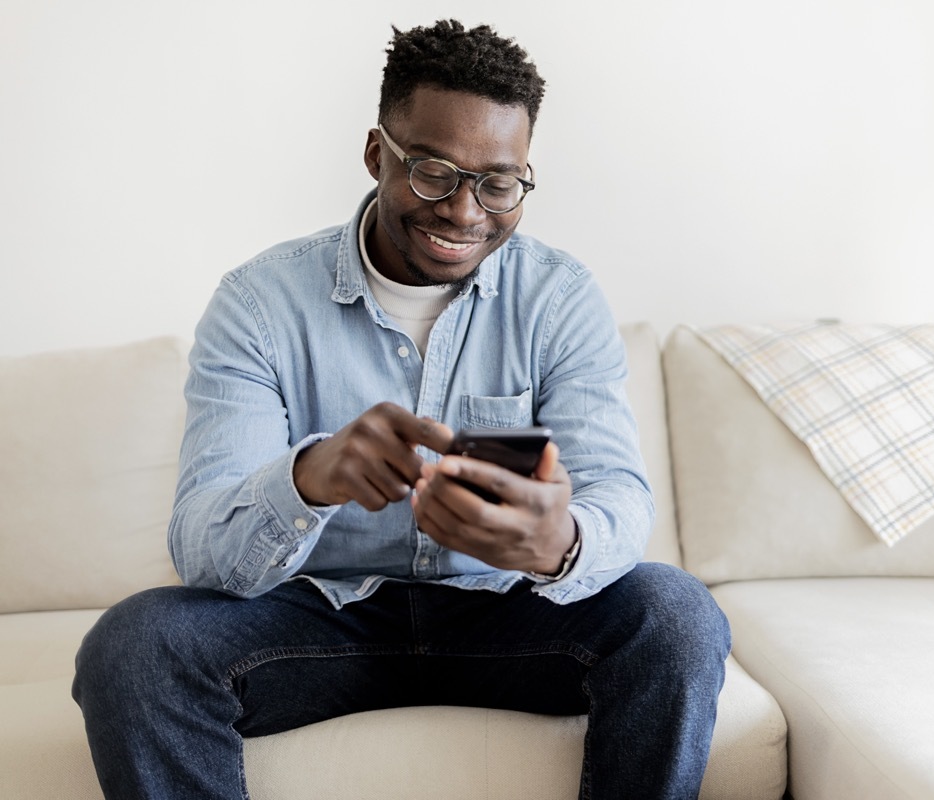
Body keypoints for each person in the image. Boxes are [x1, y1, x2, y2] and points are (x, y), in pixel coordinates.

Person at [72, 19, 731, 800]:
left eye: (498, 182)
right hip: (316, 620)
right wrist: (309, 478)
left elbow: (618, 494)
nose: (463, 211)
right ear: (378, 154)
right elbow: (201, 549)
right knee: (134, 646)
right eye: (433, 172)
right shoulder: (259, 303)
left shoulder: (558, 297)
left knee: (679, 614)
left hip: (508, 616)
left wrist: (561, 542)